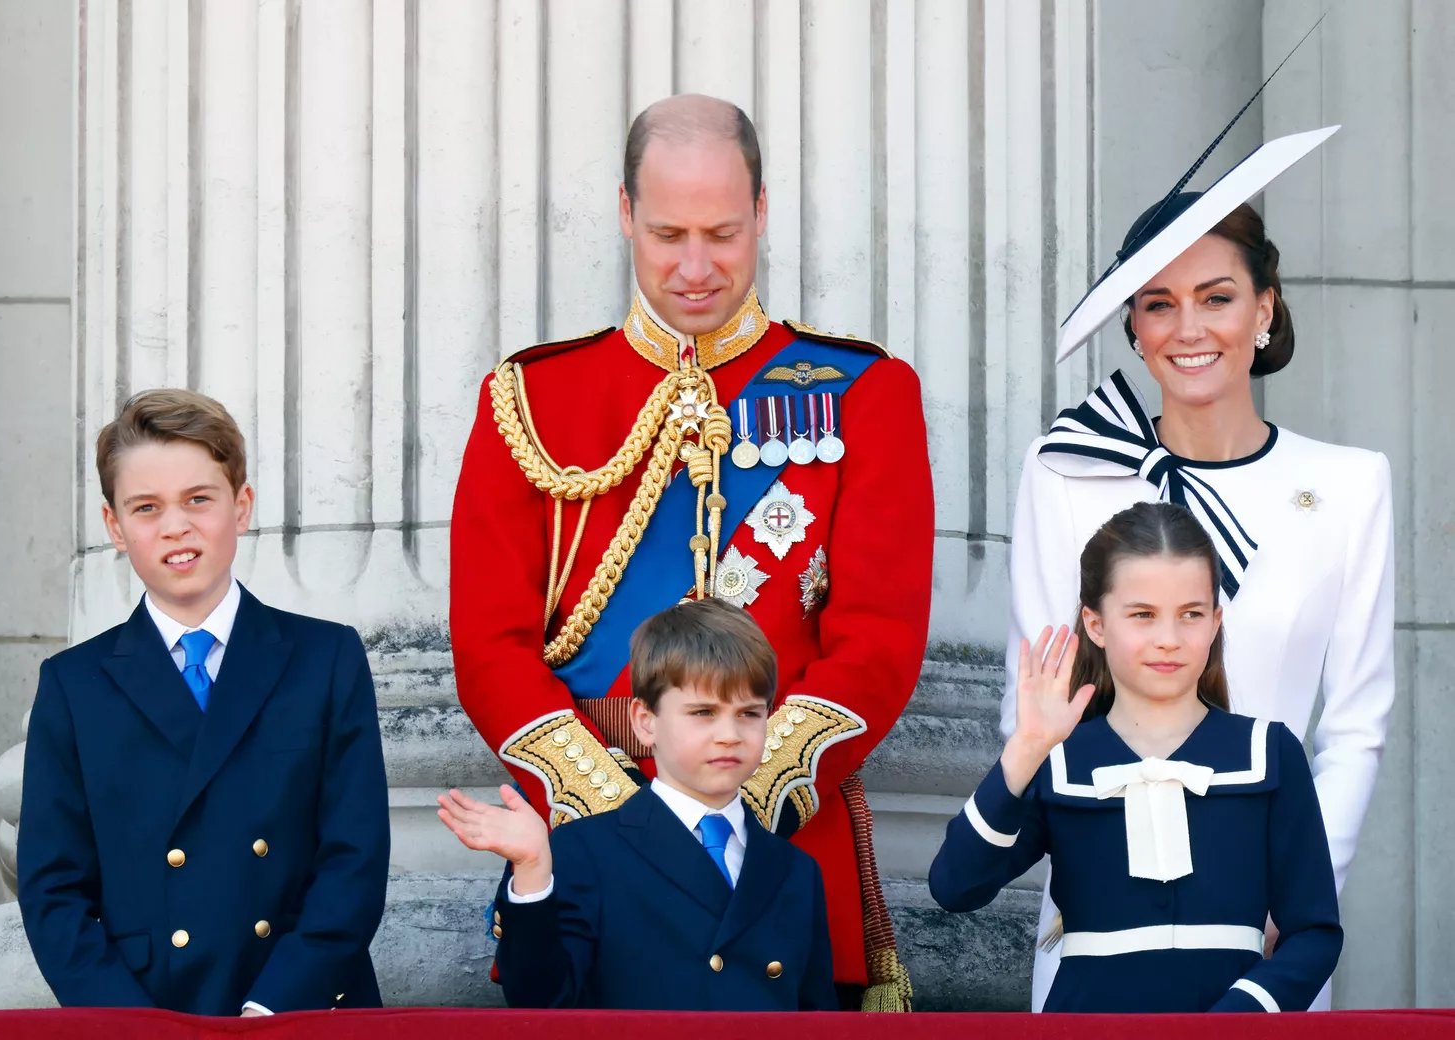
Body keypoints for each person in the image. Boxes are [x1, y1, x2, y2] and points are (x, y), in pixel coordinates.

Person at [448, 93, 932, 1006]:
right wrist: (623, 820)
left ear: (762, 212)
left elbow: (878, 643)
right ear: (626, 213)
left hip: (783, 848)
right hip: (589, 848)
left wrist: (738, 795)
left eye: (724, 232)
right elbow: (488, 645)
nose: (698, 267)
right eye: (669, 233)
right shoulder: (530, 399)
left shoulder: (865, 392)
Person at [1008, 126, 1392, 1010]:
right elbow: (1035, 708)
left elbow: (1355, 730)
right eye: (1157, 303)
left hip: (1265, 934)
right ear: (1132, 327)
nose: (1188, 329)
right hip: (1098, 923)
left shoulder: (1347, 486)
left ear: (1264, 309)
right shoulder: (1066, 473)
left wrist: (1288, 900)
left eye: (1217, 297)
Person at [17, 389, 390, 1016]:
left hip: (300, 1007)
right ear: (114, 527)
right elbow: (54, 892)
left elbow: (354, 858)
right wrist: (134, 1027)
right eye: (146, 507)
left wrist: (273, 1006)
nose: (175, 526)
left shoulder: (325, 659)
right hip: (147, 1014)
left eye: (198, 499)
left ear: (240, 507)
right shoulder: (73, 685)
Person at [937, 502, 1342, 1012]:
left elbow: (1315, 932)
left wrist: (1239, 1019)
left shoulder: (1268, 752)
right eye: (1143, 615)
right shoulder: (1057, 760)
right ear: (1096, 624)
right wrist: (1025, 750)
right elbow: (955, 886)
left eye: (1191, 615)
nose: (1169, 640)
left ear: (1216, 622)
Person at [438, 598, 836, 1010]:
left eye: (750, 714)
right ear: (646, 722)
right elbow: (543, 1002)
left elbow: (816, 1018)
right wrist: (533, 870)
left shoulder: (795, 870)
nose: (730, 734)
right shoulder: (584, 850)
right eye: (703, 712)